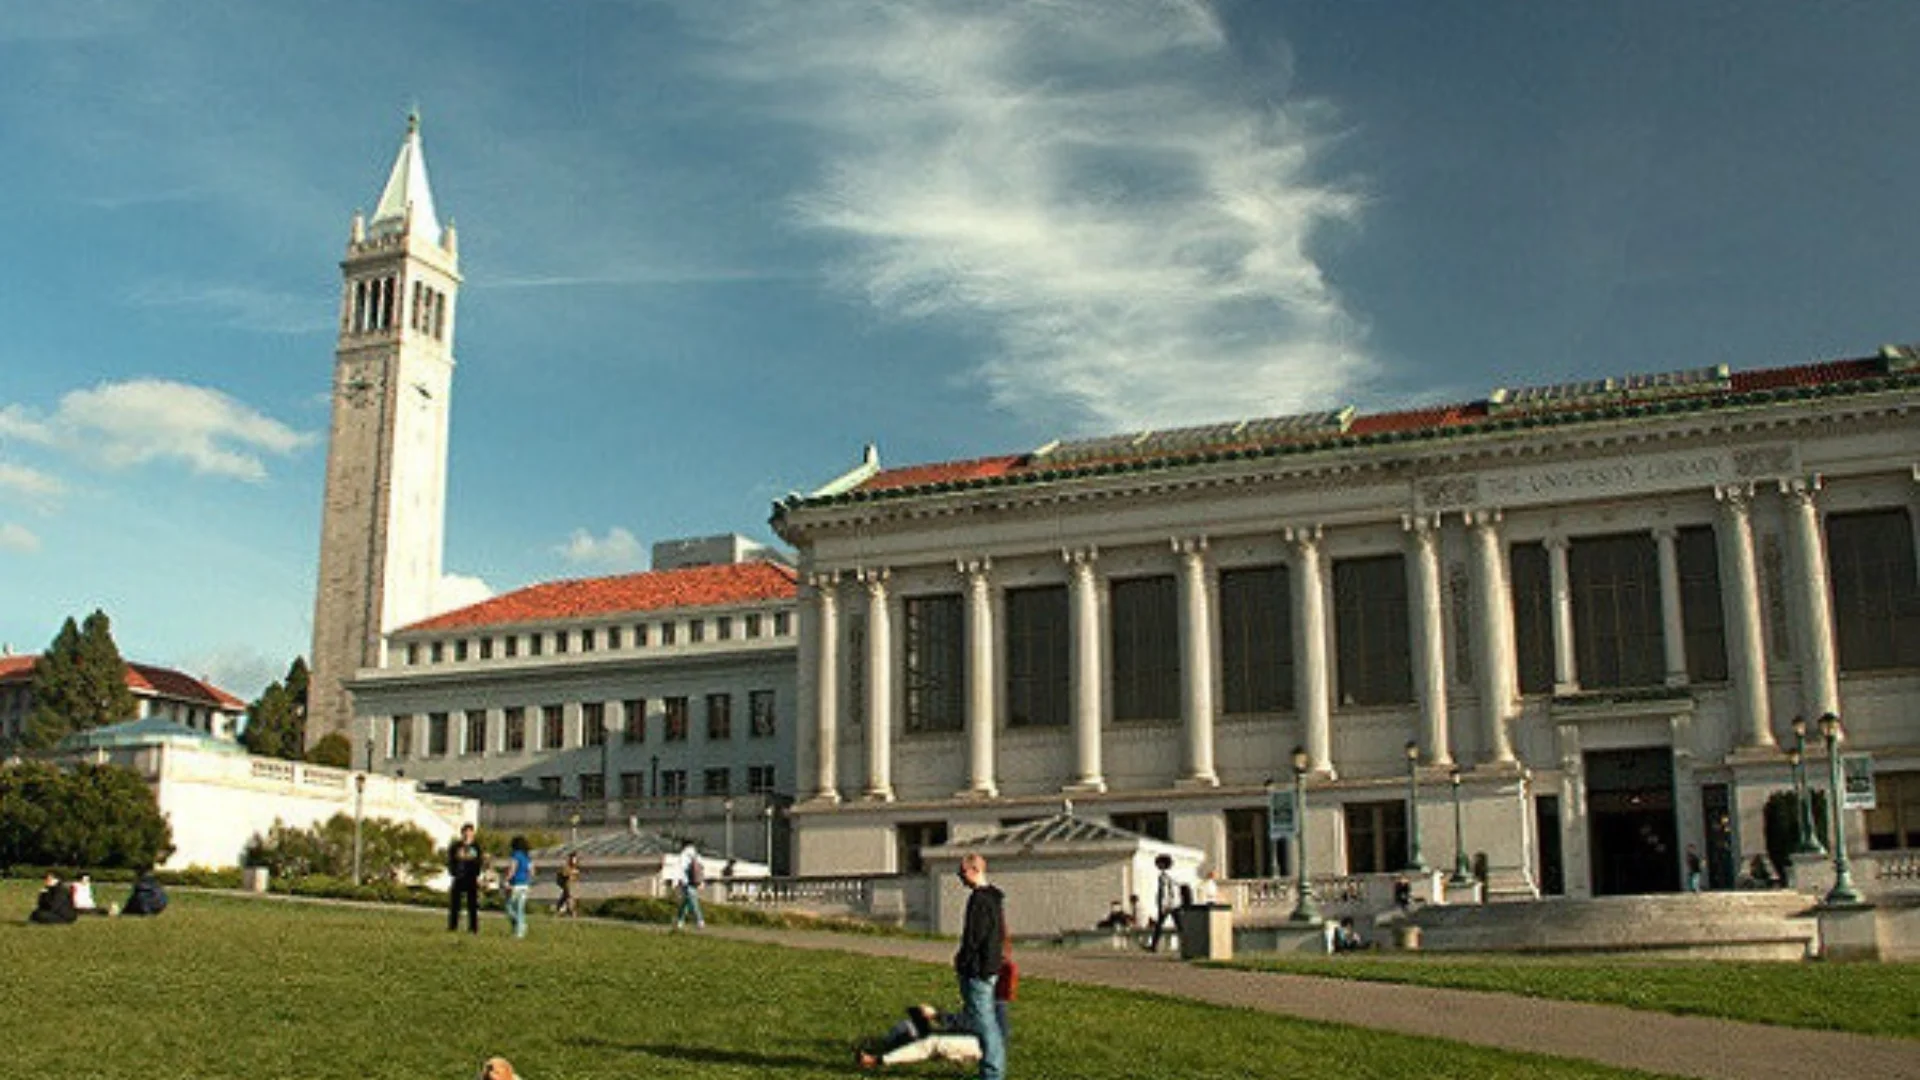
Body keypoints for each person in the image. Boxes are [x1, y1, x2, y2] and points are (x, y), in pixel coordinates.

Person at [953, 852, 1006, 1080]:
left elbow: (974, 937)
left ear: (974, 870)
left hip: (978, 969)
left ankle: (992, 1072)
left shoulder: (979, 900)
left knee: (985, 1024)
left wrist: (963, 961)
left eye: (962, 872)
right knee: (984, 1020)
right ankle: (987, 1065)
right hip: (990, 967)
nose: (960, 878)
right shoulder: (994, 898)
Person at [855, 1003, 981, 1070]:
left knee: (933, 1042)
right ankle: (886, 1044)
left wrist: (936, 1015)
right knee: (906, 1026)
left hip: (983, 1042)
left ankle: (877, 1060)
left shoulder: (992, 994)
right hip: (969, 1033)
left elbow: (978, 1023)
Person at [447, 823, 484, 934]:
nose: (467, 834)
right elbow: (451, 860)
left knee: (472, 905)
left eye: (470, 832)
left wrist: (479, 876)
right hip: (459, 877)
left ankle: (473, 928)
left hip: (471, 878)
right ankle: (453, 926)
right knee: (455, 904)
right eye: (465, 832)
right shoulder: (456, 846)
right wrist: (453, 871)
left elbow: (479, 862)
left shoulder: (476, 847)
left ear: (473, 833)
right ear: (462, 833)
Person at [1146, 853, 1179, 953]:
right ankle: (1153, 945)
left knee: (1159, 926)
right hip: (1174, 904)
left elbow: (1164, 891)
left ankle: (1153, 946)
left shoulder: (1163, 876)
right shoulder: (1173, 876)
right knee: (1178, 925)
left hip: (1167, 905)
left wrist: (1163, 905)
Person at [504, 836, 533, 939]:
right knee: (520, 909)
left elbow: (512, 869)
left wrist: (506, 880)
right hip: (525, 885)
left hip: (515, 885)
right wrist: (529, 882)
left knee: (509, 908)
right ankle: (520, 929)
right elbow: (532, 871)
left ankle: (520, 927)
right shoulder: (527, 857)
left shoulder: (516, 855)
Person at [673, 842, 706, 930]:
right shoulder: (696, 855)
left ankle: (700, 920)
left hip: (686, 882)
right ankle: (680, 921)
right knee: (686, 902)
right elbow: (702, 868)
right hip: (695, 881)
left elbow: (680, 869)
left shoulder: (684, 855)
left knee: (692, 901)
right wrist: (701, 881)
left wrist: (676, 882)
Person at [555, 853, 581, 917]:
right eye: (573, 859)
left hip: (571, 885)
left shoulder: (575, 867)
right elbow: (565, 873)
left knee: (567, 897)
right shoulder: (566, 866)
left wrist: (574, 874)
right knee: (568, 897)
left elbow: (575, 877)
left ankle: (564, 911)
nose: (575, 860)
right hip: (566, 884)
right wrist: (572, 872)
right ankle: (568, 911)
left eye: (575, 859)